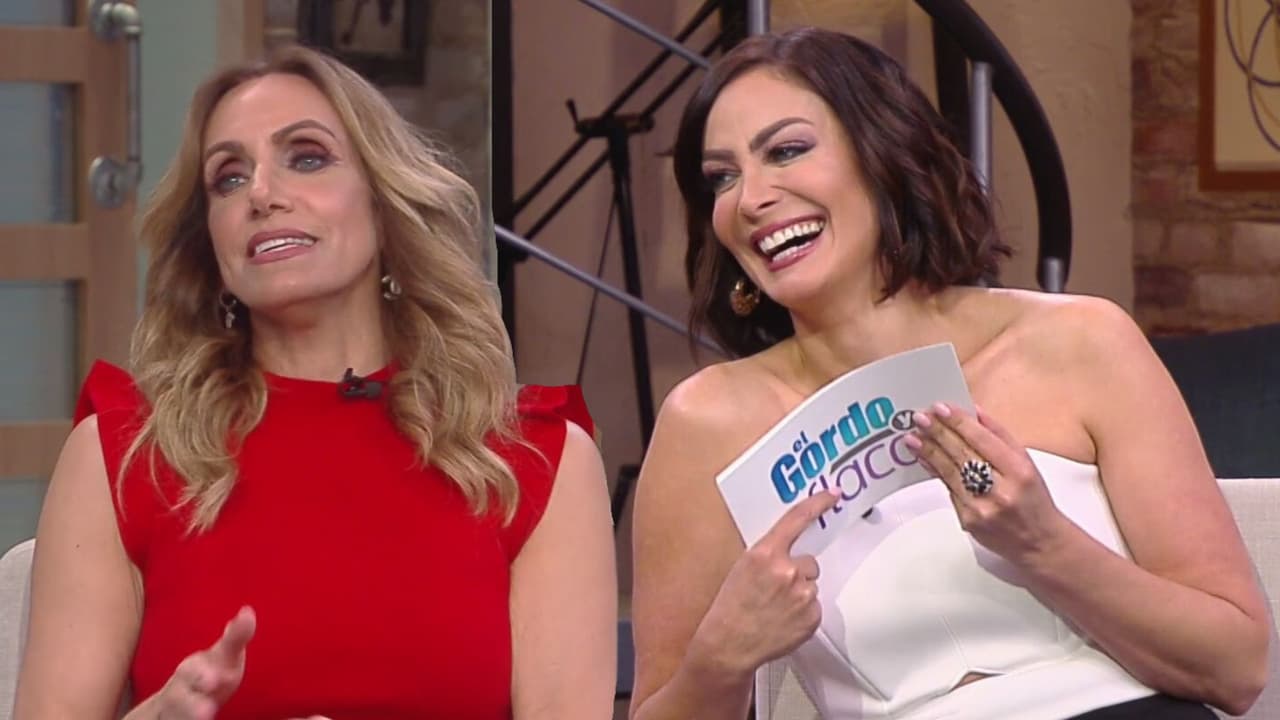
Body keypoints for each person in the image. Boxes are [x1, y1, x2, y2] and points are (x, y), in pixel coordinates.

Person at [629, 27, 1269, 720]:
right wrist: (720, 660)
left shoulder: (1082, 341)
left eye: (787, 151)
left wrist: (1044, 546)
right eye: (721, 177)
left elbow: (1238, 668)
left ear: (883, 153)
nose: (750, 198)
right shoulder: (709, 424)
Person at [14, 45, 616, 720]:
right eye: (228, 179)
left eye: (306, 158)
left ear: (384, 204)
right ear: (210, 244)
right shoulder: (125, 456)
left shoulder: (534, 462)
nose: (261, 194)